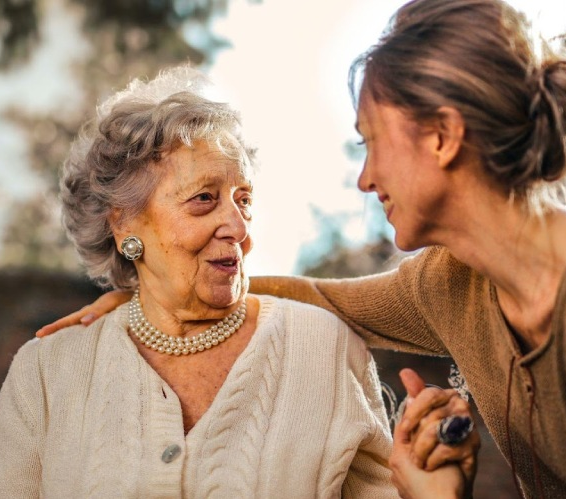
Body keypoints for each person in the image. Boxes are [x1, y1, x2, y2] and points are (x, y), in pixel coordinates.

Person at [37, 0, 566, 496]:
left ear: (442, 137)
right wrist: (151, 293)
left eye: (370, 141)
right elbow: (317, 297)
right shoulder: (453, 281)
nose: (365, 178)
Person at [0, 66, 478, 498]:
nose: (239, 226)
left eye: (243, 199)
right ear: (124, 225)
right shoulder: (46, 373)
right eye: (205, 198)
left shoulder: (324, 347)